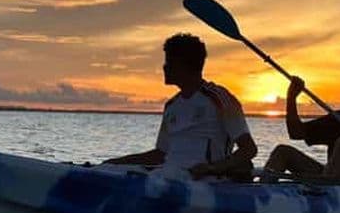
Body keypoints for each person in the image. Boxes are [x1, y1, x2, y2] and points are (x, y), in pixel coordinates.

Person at [103, 33, 258, 182]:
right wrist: (113, 163)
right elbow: (161, 154)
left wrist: (212, 168)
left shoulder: (219, 98)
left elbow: (249, 149)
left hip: (206, 182)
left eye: (169, 62)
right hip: (168, 176)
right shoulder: (171, 106)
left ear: (184, 65)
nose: (164, 67)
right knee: (107, 170)